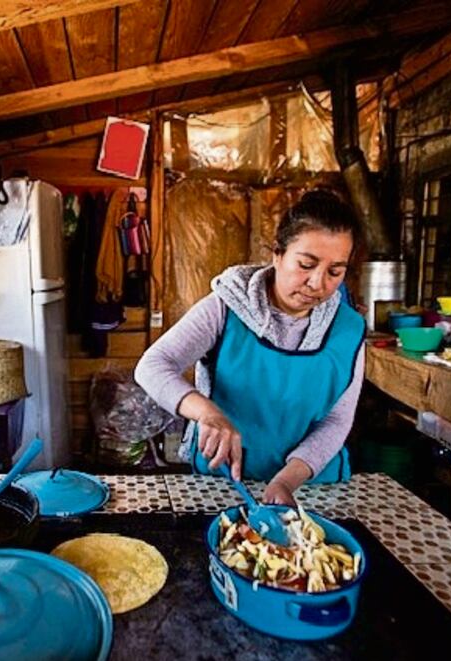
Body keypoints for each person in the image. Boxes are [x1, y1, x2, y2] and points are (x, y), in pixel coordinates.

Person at [134, 190, 366, 505]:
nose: (317, 283)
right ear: (277, 254)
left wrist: (286, 480)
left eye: (334, 272)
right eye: (306, 264)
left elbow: (336, 421)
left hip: (310, 486)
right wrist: (208, 414)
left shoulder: (349, 330)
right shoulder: (227, 307)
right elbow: (153, 365)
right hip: (226, 482)